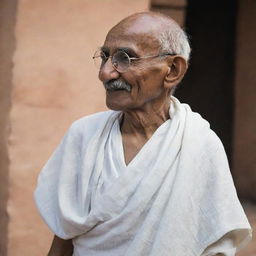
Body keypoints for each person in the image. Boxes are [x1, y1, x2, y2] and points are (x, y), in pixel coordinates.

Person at [34, 11, 252, 256]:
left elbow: (213, 244)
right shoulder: (84, 136)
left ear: (172, 70)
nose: (105, 73)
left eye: (125, 58)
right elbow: (64, 238)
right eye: (105, 57)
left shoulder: (199, 144)